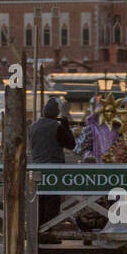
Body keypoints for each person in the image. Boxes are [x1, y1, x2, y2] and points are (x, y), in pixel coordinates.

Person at [29, 98, 75, 242]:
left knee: (39, 202)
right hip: (53, 169)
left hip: (36, 169)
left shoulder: (33, 126)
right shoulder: (57, 127)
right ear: (56, 113)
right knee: (52, 202)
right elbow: (71, 144)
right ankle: (48, 233)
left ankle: (37, 234)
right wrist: (66, 127)